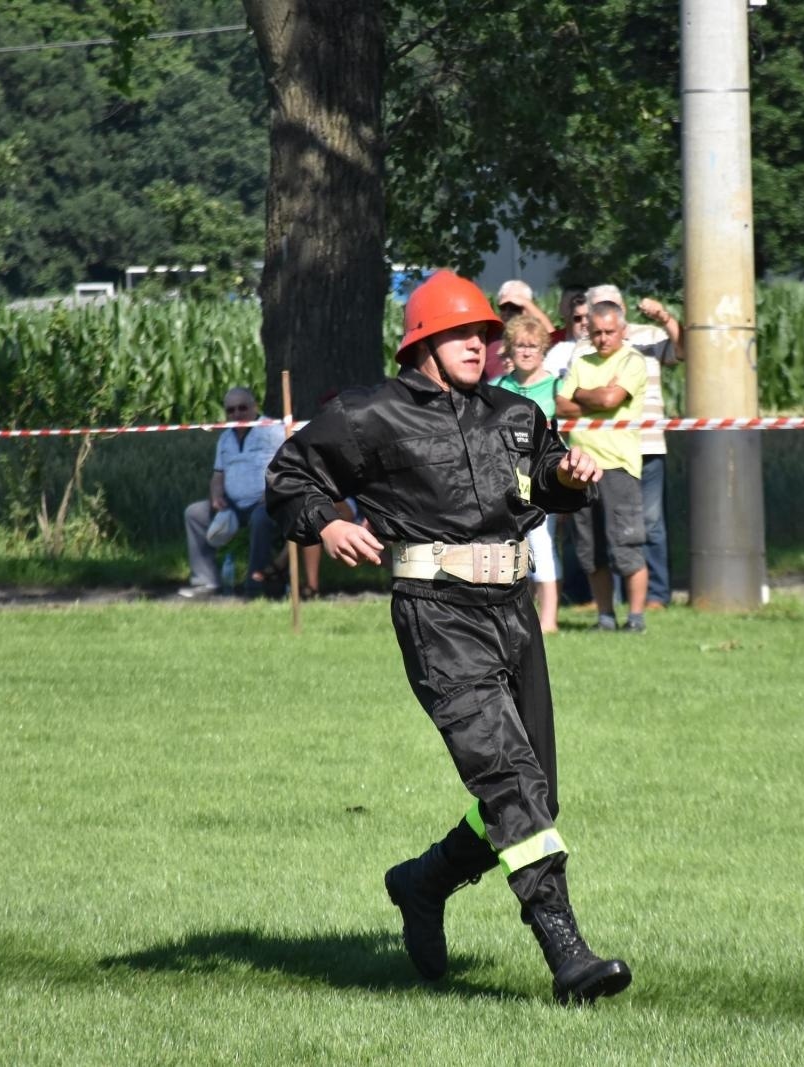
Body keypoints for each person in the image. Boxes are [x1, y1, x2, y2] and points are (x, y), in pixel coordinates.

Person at [263, 270, 631, 1005]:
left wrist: (569, 473)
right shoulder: (369, 414)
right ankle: (567, 952)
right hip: (437, 616)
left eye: (488, 335)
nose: (481, 345)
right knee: (506, 779)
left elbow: (544, 481)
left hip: (514, 612)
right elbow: (287, 476)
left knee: (536, 792)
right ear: (423, 342)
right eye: (464, 333)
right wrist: (328, 521)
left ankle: (423, 881)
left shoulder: (513, 414)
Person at [583, 284, 684, 611]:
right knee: (605, 526)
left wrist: (667, 319)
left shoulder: (649, 335)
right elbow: (572, 397)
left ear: (622, 310)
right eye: (597, 309)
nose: (604, 324)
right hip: (603, 449)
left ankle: (656, 595)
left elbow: (682, 352)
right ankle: (611, 601)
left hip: (647, 441)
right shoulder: (584, 348)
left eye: (611, 307)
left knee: (650, 522)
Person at [554, 302, 651, 632]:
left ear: (623, 331)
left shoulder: (632, 361)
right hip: (581, 468)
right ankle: (605, 617)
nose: (603, 338)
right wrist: (596, 394)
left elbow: (612, 400)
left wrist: (581, 394)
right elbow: (562, 406)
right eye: (596, 332)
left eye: (610, 332)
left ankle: (636, 619)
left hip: (619, 467)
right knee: (590, 550)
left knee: (626, 546)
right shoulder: (581, 362)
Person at [179, 387, 285, 598]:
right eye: (231, 410)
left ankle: (255, 585)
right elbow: (218, 474)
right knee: (194, 513)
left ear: (255, 407)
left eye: (242, 408)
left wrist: (275, 490)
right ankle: (205, 581)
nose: (237, 414)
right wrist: (216, 495)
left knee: (260, 518)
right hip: (232, 505)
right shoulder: (225, 439)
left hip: (265, 502)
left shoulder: (274, 431)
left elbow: (292, 465)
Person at [494, 313, 562, 632]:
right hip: (504, 479)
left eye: (533, 346)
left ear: (543, 349)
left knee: (542, 544)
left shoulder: (557, 388)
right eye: (520, 345)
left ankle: (548, 621)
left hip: (542, 480)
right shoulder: (496, 387)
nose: (526, 352)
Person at [484, 279, 555, 382]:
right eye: (504, 307)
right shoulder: (490, 333)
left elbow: (553, 338)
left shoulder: (535, 336)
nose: (508, 312)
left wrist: (525, 302)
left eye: (514, 307)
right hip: (490, 393)